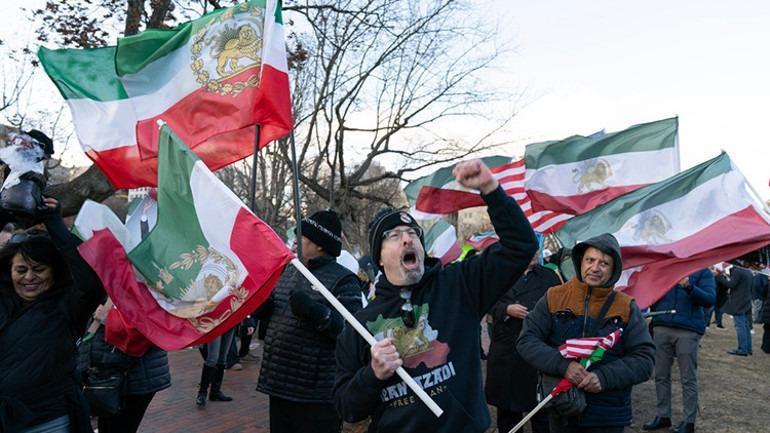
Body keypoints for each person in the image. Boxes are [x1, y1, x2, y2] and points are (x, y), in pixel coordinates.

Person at [333, 159, 538, 433]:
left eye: (412, 234)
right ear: (379, 258)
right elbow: (348, 408)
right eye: (393, 236)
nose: (407, 239)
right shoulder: (360, 323)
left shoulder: (459, 285)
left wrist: (490, 189)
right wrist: (373, 374)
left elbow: (520, 247)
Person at [517, 233, 655, 433]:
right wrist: (563, 366)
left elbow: (644, 360)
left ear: (614, 269)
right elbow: (527, 341)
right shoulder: (554, 297)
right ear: (580, 261)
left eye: (604, 263)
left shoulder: (626, 307)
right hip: (563, 409)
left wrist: (604, 377)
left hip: (608, 416)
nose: (595, 268)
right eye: (590, 260)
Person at [0, 197, 104, 433]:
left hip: (47, 422)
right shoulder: (4, 302)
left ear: (54, 272)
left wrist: (54, 222)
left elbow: (91, 283)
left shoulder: (67, 306)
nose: (29, 277)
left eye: (38, 269)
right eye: (21, 270)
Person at [257, 210, 363, 433]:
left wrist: (316, 313)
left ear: (320, 244)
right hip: (279, 384)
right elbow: (274, 314)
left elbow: (351, 333)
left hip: (317, 392)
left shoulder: (344, 280)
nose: (296, 240)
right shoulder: (287, 270)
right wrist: (261, 309)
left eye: (302, 235)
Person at [486, 250, 562, 433]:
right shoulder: (500, 275)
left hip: (538, 349)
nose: (534, 252)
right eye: (529, 248)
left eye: (535, 248)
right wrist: (506, 309)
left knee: (541, 408)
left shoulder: (549, 276)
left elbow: (560, 305)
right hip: (506, 349)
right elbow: (485, 301)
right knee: (507, 409)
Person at [642, 269, 716, 433]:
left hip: (687, 331)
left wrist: (689, 286)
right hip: (662, 327)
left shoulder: (703, 271)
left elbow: (710, 300)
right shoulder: (666, 268)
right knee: (661, 375)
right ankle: (663, 416)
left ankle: (689, 422)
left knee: (688, 378)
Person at [81, 304, 171, 433]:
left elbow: (147, 328)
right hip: (112, 375)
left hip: (131, 376)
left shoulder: (149, 286)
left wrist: (109, 319)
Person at [715, 263, 754, 356]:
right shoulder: (748, 271)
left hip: (738, 302)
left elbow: (731, 284)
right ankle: (748, 348)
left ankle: (742, 349)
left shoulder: (737, 271)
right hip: (746, 301)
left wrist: (719, 277)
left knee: (740, 326)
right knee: (746, 326)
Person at [195, 328, 236, 406]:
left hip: (230, 323)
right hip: (215, 324)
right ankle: (202, 393)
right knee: (212, 358)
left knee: (222, 358)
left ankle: (215, 391)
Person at [756, 272, 770, 354]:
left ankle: (766, 347)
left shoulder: (768, 284)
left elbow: (763, 293)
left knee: (767, 330)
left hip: (768, 309)